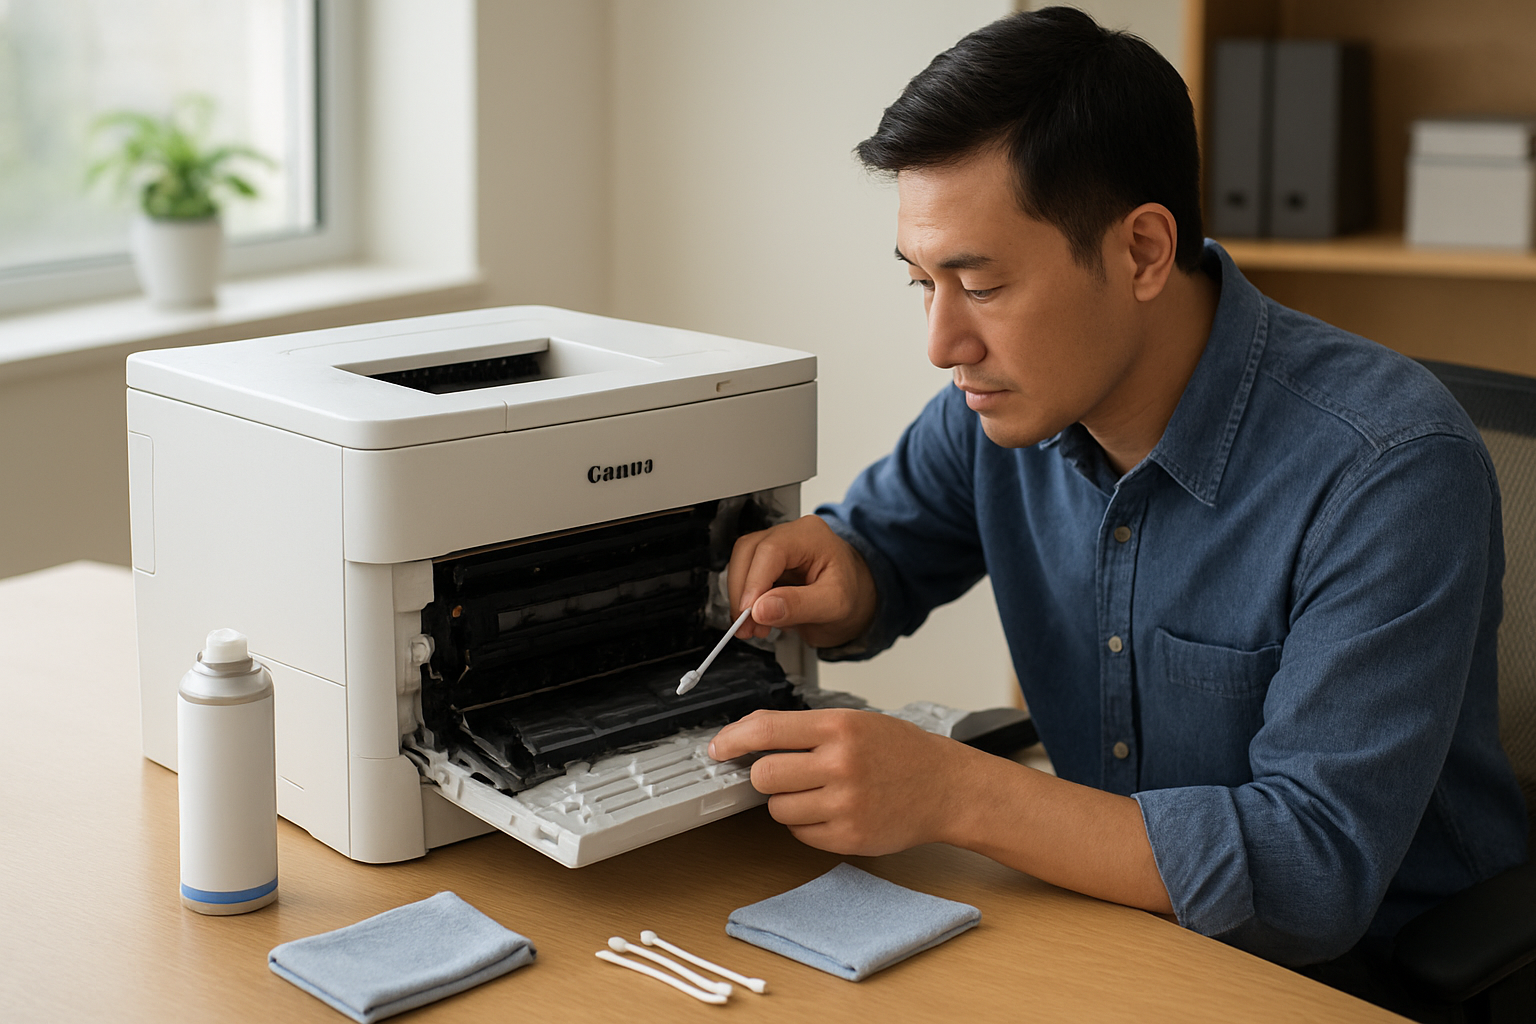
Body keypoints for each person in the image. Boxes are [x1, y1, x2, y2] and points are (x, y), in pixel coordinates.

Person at [707, 5, 1527, 979]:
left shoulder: (1390, 466)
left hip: (1366, 978)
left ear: (1142, 251)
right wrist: (839, 576)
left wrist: (956, 794)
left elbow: (1310, 876)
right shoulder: (994, 408)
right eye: (921, 281)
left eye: (982, 283)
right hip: (1107, 932)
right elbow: (877, 551)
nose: (942, 343)